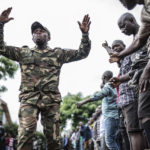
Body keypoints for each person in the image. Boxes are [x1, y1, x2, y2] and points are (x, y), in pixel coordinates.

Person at [0, 7, 91, 150]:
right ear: (32, 38)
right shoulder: (23, 53)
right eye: (35, 32)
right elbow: (1, 48)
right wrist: (1, 25)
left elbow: (82, 53)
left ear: (48, 36)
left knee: (53, 139)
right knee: (25, 133)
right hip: (29, 99)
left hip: (51, 101)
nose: (38, 33)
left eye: (41, 31)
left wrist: (85, 35)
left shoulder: (58, 54)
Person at [110, 1, 150, 146]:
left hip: (146, 77)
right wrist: (120, 57)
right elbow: (138, 41)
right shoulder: (144, 18)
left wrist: (147, 70)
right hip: (140, 81)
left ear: (132, 21)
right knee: (143, 117)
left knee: (144, 118)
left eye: (123, 26)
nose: (122, 30)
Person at [77, 70, 119, 150]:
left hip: (111, 117)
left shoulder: (108, 86)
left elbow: (97, 96)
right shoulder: (114, 85)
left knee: (109, 141)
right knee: (114, 140)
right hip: (115, 116)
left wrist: (83, 102)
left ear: (104, 78)